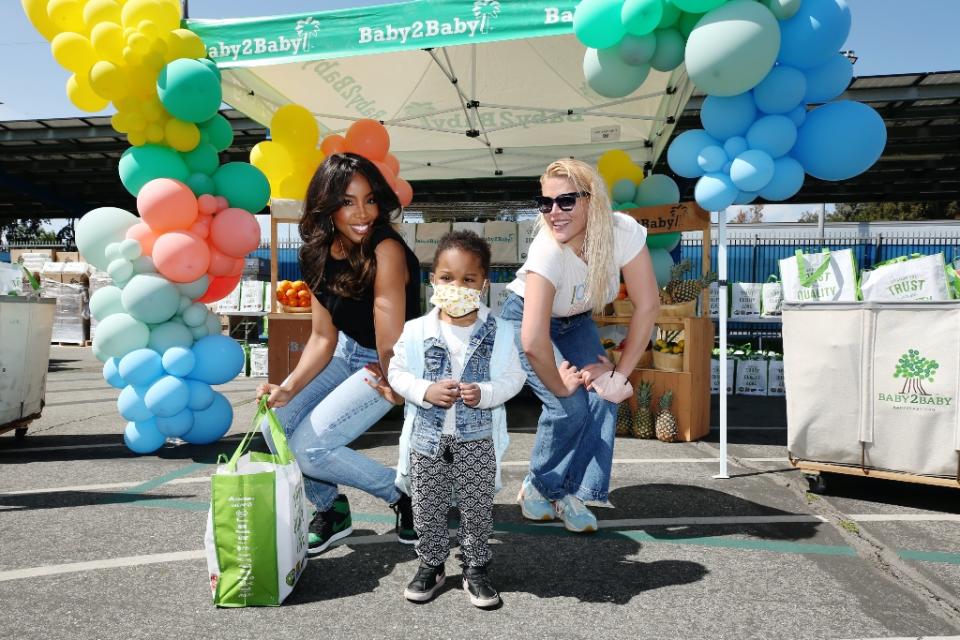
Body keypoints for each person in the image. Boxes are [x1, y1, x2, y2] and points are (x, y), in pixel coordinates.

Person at [256, 152, 421, 556]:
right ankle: (332, 510)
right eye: (348, 202)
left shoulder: (386, 250)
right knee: (274, 422)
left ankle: (402, 495)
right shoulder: (315, 253)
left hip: (388, 357)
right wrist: (287, 388)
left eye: (369, 199)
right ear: (327, 205)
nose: (362, 212)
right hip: (346, 350)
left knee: (310, 449)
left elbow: (389, 337)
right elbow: (321, 338)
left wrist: (398, 383)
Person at [500, 158, 660, 533]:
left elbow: (648, 304)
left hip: (576, 322)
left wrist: (619, 375)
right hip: (526, 320)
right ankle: (540, 484)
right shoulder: (547, 250)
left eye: (566, 201)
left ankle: (566, 490)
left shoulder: (623, 233)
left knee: (605, 394)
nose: (554, 212)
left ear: (593, 200)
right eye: (546, 203)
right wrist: (561, 385)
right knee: (569, 405)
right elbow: (534, 339)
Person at [387, 231, 525, 608]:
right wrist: (424, 390)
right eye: (447, 278)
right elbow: (396, 372)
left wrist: (487, 394)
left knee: (476, 507)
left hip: (477, 440)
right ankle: (431, 563)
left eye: (468, 279)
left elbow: (515, 378)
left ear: (483, 284)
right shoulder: (416, 331)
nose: (456, 286)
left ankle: (476, 567)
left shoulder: (501, 332)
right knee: (426, 508)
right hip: (427, 441)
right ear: (433, 280)